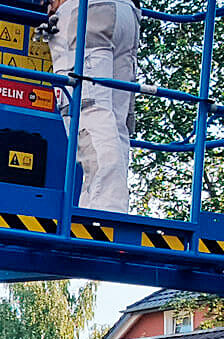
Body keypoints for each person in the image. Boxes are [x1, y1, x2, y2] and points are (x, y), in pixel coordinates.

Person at [47, 0, 141, 213]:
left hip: (85, 11)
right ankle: (105, 206)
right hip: (127, 14)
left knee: (88, 112)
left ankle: (104, 209)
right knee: (116, 123)